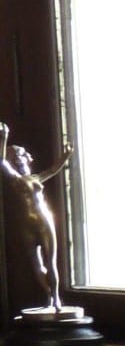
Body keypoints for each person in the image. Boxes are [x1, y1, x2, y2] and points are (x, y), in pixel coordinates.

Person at [0, 123, 71, 316]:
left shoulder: (37, 178)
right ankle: (48, 294)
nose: (20, 161)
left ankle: (55, 297)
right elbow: (1, 161)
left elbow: (53, 169)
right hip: (27, 225)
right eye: (16, 159)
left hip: (44, 219)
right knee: (37, 265)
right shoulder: (15, 179)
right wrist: (3, 137)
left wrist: (66, 155)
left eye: (22, 158)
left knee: (51, 261)